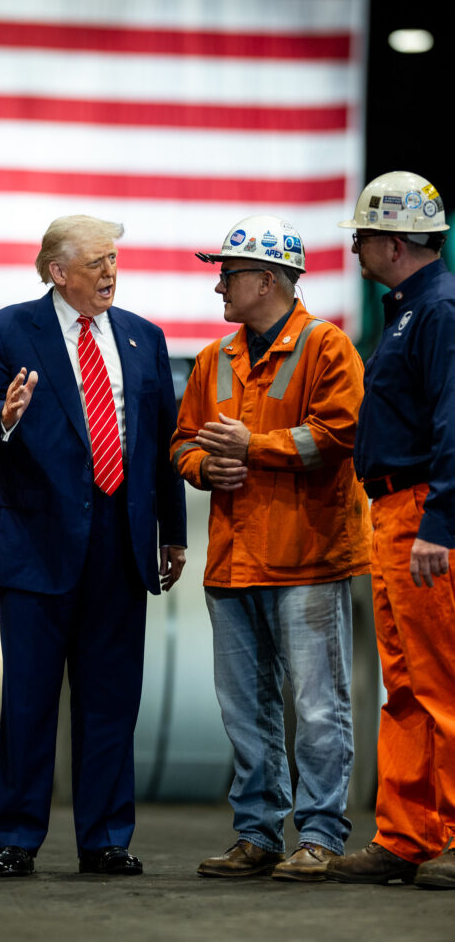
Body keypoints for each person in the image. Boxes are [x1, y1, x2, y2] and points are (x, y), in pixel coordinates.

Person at [0, 214, 187, 877]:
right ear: (57, 271)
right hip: (35, 545)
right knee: (29, 700)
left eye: (113, 261)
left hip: (120, 545)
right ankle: (15, 837)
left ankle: (105, 838)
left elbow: (161, 447)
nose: (109, 274)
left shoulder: (144, 340)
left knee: (111, 701)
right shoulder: (7, 330)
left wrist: (170, 530)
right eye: (95, 263)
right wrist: (2, 416)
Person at [171, 215, 371, 881]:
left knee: (318, 706)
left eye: (228, 275)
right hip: (233, 560)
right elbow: (183, 443)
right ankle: (255, 833)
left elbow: (337, 436)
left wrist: (252, 450)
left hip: (306, 556)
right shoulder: (212, 360)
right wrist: (205, 468)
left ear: (266, 279)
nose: (219, 287)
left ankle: (318, 836)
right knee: (244, 708)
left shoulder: (327, 348)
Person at [327, 170, 455, 889]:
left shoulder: (438, 311)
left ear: (394, 241)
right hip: (393, 515)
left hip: (422, 519)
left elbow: (452, 423)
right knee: (404, 686)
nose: (355, 249)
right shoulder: (409, 309)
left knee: (442, 683)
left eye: (363, 236)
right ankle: (405, 837)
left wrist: (441, 520)